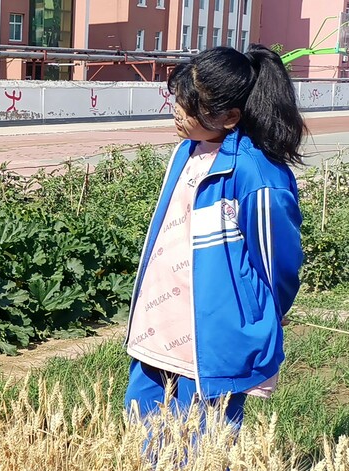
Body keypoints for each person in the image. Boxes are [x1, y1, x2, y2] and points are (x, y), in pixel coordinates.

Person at [124, 45, 304, 427]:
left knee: (204, 448)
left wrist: (272, 309)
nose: (177, 111)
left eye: (190, 107)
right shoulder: (186, 153)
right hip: (159, 324)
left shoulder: (257, 175)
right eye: (177, 99)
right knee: (142, 433)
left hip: (212, 339)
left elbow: (279, 263)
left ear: (230, 116)